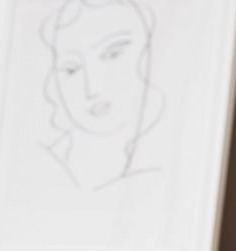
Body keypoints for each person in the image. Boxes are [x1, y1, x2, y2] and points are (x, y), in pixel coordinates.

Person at [40, 0, 164, 191]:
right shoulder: (43, 163)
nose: (92, 90)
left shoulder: (165, 165)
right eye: (71, 70)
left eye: (112, 54)